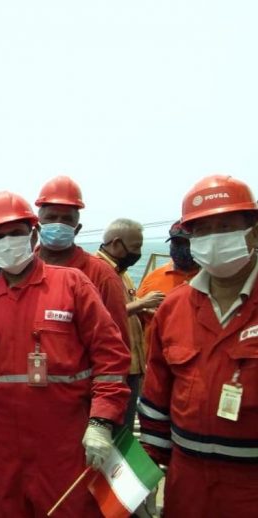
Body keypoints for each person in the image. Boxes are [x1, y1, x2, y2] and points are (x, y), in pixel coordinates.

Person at [0, 191, 131, 518]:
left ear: (32, 234)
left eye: (15, 233)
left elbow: (111, 356)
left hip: (63, 438)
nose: (7, 241)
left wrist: (101, 420)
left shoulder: (72, 284)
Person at [138, 175, 258, 517]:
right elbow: (157, 400)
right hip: (185, 482)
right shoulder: (173, 308)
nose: (213, 238)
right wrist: (144, 476)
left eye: (225, 225)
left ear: (254, 230)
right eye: (202, 230)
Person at [35, 175, 130, 351]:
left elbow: (117, 343)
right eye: (51, 217)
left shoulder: (102, 274)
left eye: (67, 219)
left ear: (77, 229)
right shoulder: (22, 269)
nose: (58, 224)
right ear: (38, 225)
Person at [97, 218, 163, 427]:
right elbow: (99, 316)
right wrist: (142, 303)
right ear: (116, 243)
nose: (138, 252)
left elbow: (124, 309)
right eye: (136, 247)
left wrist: (143, 308)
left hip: (132, 365)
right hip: (114, 370)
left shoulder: (122, 274)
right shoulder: (98, 271)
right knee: (115, 429)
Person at [137, 220, 199, 298]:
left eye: (187, 243)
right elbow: (139, 305)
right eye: (176, 243)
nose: (182, 248)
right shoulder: (152, 278)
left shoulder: (214, 279)